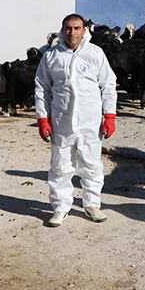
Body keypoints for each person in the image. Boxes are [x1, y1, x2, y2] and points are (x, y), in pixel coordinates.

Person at [34, 13, 117, 227]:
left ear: (84, 30)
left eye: (77, 28)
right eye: (68, 28)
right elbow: (42, 88)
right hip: (62, 122)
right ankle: (61, 208)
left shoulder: (95, 53)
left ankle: (92, 205)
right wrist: (43, 119)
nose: (72, 33)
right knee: (61, 166)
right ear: (62, 31)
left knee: (91, 165)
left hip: (90, 122)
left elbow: (108, 85)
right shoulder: (52, 56)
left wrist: (109, 116)